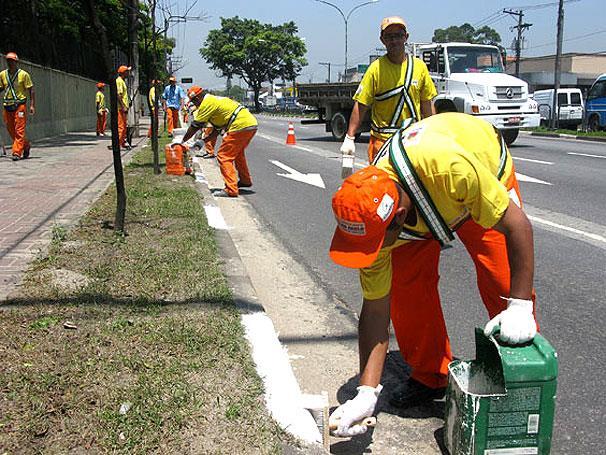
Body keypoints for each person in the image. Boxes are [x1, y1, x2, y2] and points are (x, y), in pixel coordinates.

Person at [328, 113, 538, 437]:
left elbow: (518, 226)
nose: (371, 254)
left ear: (397, 219)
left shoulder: (450, 170)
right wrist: (366, 392)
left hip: (476, 174)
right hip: (427, 203)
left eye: (373, 245)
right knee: (406, 290)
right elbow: (375, 310)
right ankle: (430, 375)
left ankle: (521, 379)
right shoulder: (376, 219)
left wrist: (521, 305)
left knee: (503, 280)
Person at [340, 16, 437, 173]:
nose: (394, 41)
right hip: (382, 144)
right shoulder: (376, 69)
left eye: (398, 35)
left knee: (414, 192)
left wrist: (434, 133)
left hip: (412, 143)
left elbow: (427, 104)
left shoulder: (419, 68)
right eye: (389, 37)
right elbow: (361, 105)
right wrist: (350, 137)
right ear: (382, 40)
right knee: (382, 192)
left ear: (406, 37)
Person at [181, 85, 257, 197]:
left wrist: (183, 140)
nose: (195, 105)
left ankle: (231, 189)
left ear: (197, 99)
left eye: (194, 102)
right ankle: (245, 181)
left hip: (239, 125)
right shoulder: (214, 99)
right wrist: (203, 141)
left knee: (223, 156)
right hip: (250, 124)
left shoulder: (206, 103)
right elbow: (217, 129)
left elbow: (195, 125)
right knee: (237, 154)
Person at [0, 52, 35, 161]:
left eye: (12, 61)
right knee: (11, 130)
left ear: (16, 62)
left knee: (19, 130)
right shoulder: (2, 74)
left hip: (20, 105)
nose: (10, 63)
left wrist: (32, 105)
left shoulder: (24, 74)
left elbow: (31, 90)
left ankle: (16, 152)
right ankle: (26, 145)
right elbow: (1, 87)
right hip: (7, 105)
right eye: (8, 61)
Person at [116, 65, 131, 149]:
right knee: (121, 127)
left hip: (123, 108)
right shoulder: (119, 81)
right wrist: (123, 106)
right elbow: (118, 95)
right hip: (120, 108)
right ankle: (117, 144)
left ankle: (122, 142)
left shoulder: (122, 81)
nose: (128, 73)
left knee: (124, 126)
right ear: (123, 72)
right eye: (127, 71)